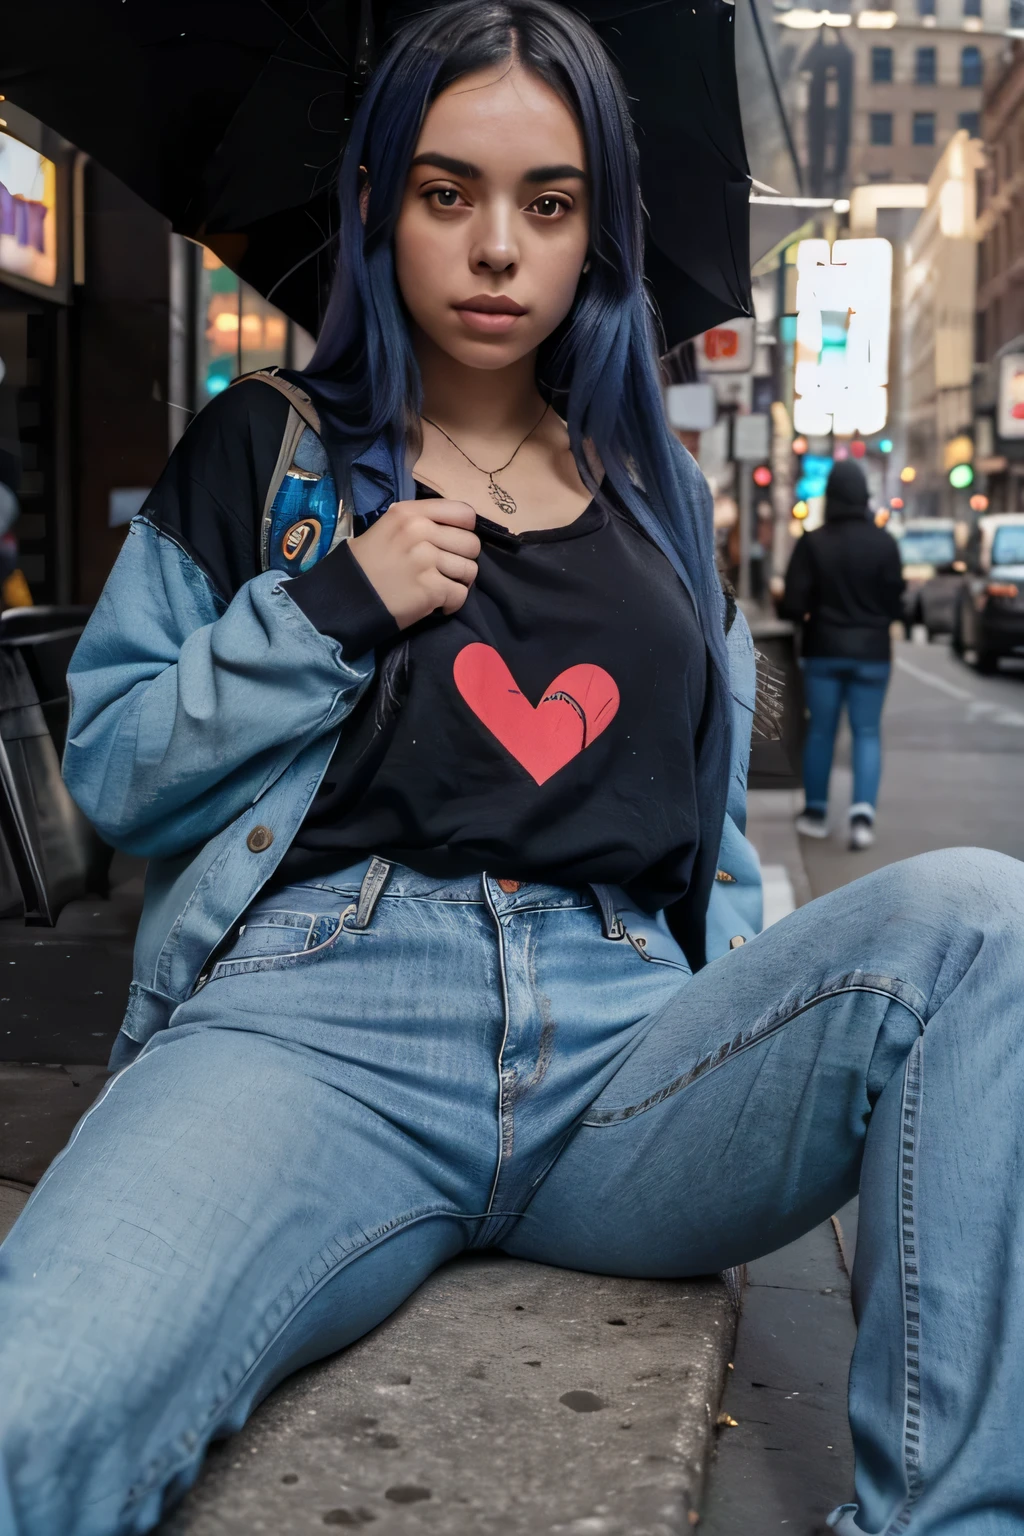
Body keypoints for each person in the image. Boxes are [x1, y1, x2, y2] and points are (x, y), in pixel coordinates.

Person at [1, 7, 1022, 1534]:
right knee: (33, 1411)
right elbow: (118, 765)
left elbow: (716, 862)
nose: (497, 248)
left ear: (593, 233)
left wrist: (722, 1008)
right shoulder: (269, 456)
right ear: (372, 209)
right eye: (444, 193)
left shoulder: (669, 502)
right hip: (316, 1029)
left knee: (981, 922)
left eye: (547, 204)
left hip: (627, 1062)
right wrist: (331, 605)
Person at [781, 460, 905, 850]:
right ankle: (862, 816)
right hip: (872, 654)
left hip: (823, 651)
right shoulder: (885, 543)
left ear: (831, 496)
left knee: (820, 730)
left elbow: (792, 604)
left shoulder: (813, 542)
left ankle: (816, 813)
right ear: (864, 496)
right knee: (867, 731)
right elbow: (897, 604)